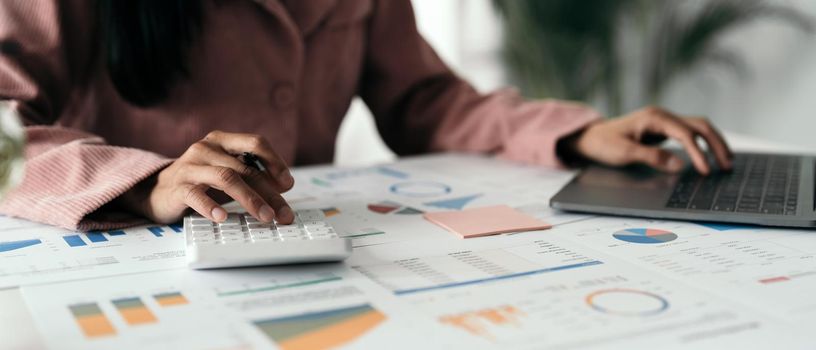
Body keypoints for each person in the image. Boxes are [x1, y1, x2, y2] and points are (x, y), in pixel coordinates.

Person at [0, 0, 732, 230]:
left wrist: (573, 132)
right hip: (125, 259)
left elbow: (424, 98)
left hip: (308, 255)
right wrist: (142, 183)